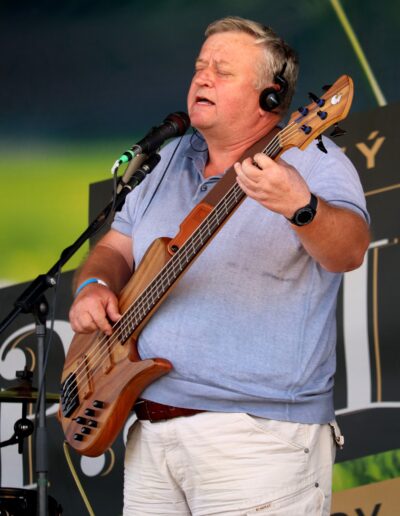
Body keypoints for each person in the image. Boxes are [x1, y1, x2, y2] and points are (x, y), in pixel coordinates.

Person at [69, 16, 370, 515]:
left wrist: (301, 206)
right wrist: (95, 285)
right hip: (151, 433)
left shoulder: (314, 157)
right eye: (199, 67)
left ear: (271, 96)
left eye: (222, 71)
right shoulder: (167, 161)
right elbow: (116, 248)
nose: (202, 78)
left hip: (257, 438)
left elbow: (350, 251)